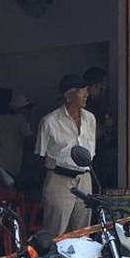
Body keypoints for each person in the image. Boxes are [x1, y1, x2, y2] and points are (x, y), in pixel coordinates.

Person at [34, 73, 96, 235]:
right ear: (68, 96)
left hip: (84, 178)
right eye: (81, 91)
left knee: (83, 232)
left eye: (86, 90)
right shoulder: (49, 122)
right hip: (59, 179)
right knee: (56, 231)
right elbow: (39, 157)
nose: (86, 94)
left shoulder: (90, 119)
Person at [0, 93, 34, 182]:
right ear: (18, 109)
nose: (28, 112)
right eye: (26, 109)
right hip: (8, 168)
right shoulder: (20, 120)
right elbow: (31, 141)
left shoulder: (0, 119)